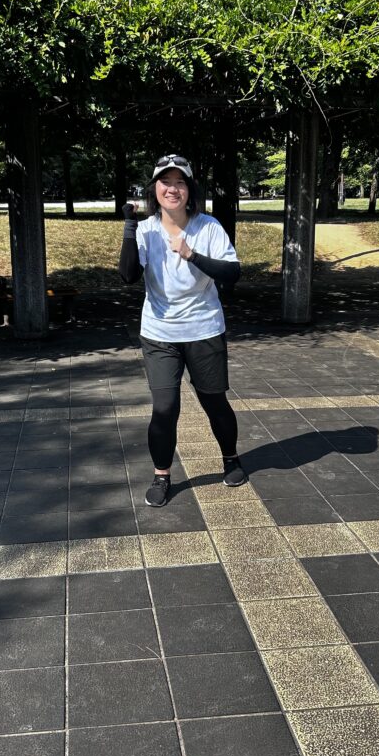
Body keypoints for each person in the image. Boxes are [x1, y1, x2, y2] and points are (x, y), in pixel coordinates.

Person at [119, 153, 247, 507]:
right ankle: (161, 475)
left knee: (214, 401)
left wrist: (193, 255)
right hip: (159, 333)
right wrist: (129, 227)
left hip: (204, 329)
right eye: (166, 182)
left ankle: (231, 459)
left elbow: (233, 273)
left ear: (190, 189)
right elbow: (128, 275)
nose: (172, 189)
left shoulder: (208, 227)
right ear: (155, 189)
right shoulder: (146, 230)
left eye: (180, 182)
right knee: (165, 407)